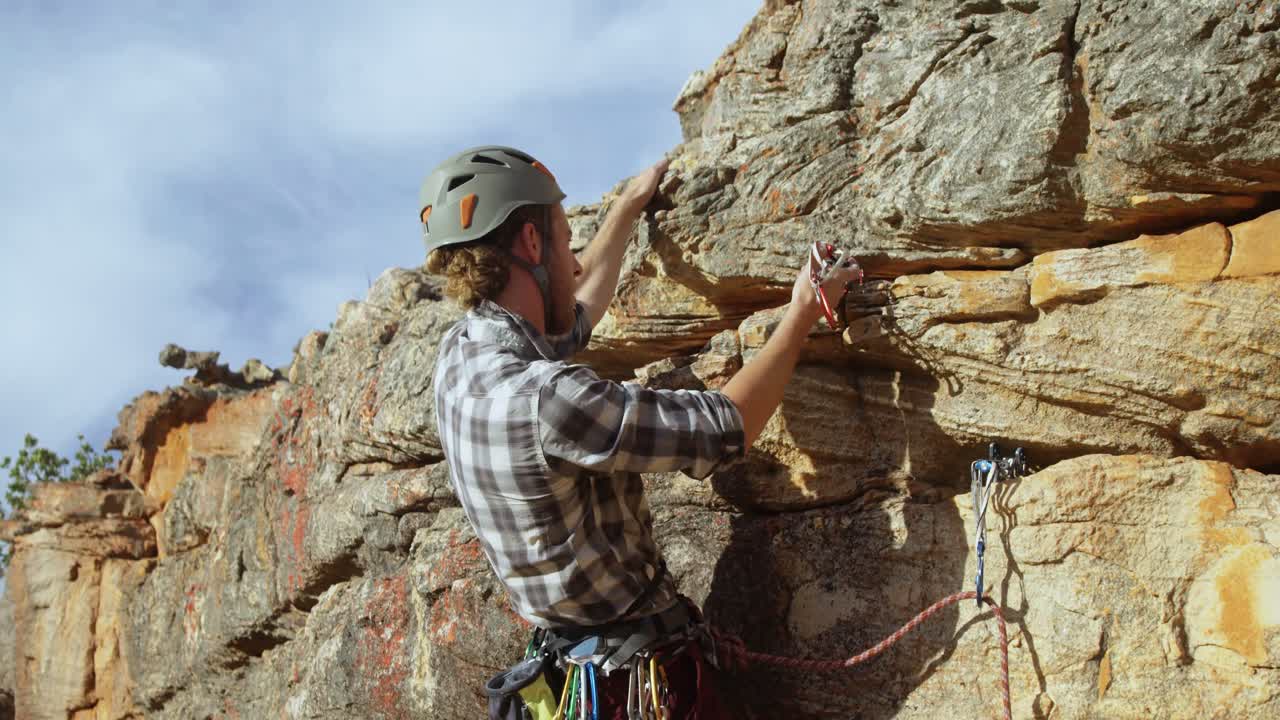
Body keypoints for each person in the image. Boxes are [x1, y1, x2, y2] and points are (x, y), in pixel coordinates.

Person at [422, 146, 860, 719]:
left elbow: (570, 315)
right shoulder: (550, 401)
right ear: (531, 244)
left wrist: (628, 208)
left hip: (567, 673)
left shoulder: (460, 360)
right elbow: (726, 426)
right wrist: (802, 309)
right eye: (564, 239)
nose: (576, 264)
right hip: (637, 687)